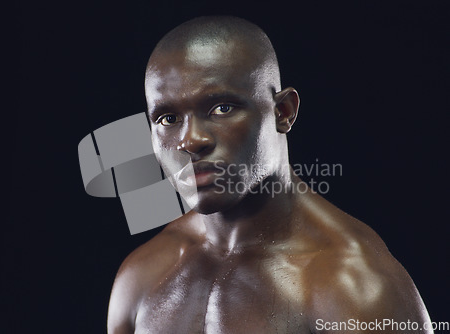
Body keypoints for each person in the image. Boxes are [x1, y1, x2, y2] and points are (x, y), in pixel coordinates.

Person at [107, 16, 432, 333]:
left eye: (221, 108)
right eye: (167, 119)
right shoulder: (143, 274)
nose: (190, 141)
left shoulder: (356, 290)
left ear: (283, 112)